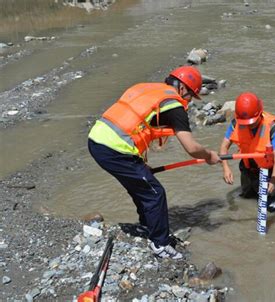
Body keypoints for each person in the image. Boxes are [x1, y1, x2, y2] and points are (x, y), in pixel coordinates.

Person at [88, 66, 221, 260]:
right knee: (155, 193)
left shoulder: (149, 90)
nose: (189, 101)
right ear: (182, 88)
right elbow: (191, 148)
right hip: (114, 149)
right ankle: (160, 244)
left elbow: (134, 127)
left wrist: (141, 164)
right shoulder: (174, 106)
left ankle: (146, 225)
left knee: (141, 184)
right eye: (191, 95)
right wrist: (209, 156)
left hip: (97, 139)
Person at [219, 92, 275, 212]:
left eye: (252, 122)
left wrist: (273, 182)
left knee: (272, 207)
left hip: (271, 170)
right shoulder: (235, 124)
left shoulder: (274, 128)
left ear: (259, 114)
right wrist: (225, 168)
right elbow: (224, 148)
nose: (249, 126)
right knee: (246, 198)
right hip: (249, 167)